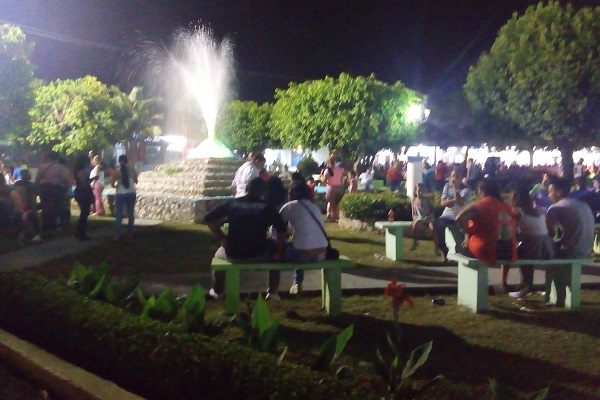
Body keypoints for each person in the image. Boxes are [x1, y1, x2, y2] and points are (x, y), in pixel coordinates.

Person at [204, 177, 287, 300]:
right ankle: (272, 292)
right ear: (264, 192)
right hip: (259, 253)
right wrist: (278, 253)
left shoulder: (232, 203)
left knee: (218, 256)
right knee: (274, 252)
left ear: (247, 188)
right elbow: (282, 230)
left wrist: (222, 237)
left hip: (233, 253)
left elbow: (208, 219)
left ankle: (218, 290)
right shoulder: (267, 207)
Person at [455, 178, 518, 267]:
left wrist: (469, 232)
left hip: (484, 250)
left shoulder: (478, 205)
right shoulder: (506, 207)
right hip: (506, 252)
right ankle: (503, 280)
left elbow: (459, 218)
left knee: (460, 246)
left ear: (482, 191)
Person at [280, 182, 329, 295]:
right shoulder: (314, 207)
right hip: (321, 255)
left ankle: (275, 290)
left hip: (302, 255)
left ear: (291, 194)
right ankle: (297, 283)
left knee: (282, 249)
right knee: (300, 246)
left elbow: (278, 229)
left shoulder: (289, 206)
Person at [507, 186, 554, 299]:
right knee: (524, 252)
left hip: (532, 244)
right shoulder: (540, 211)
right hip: (547, 246)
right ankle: (525, 284)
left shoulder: (517, 211)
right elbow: (551, 232)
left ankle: (526, 285)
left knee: (519, 254)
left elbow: (510, 232)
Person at [546, 178, 594, 259]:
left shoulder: (555, 208)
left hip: (569, 252)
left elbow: (551, 234)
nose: (548, 195)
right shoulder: (583, 205)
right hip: (586, 250)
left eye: (550, 192)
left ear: (558, 193)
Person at [432, 169, 471, 261]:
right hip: (447, 215)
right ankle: (443, 249)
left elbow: (460, 201)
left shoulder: (466, 190)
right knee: (438, 225)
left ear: (461, 178)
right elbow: (443, 203)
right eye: (453, 176)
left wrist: (454, 190)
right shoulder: (446, 186)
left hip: (460, 216)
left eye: (457, 177)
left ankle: (462, 249)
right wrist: (453, 200)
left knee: (463, 248)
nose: (454, 179)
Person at [35, 151, 71, 238]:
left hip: (44, 189)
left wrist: (38, 189)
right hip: (56, 190)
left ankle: (45, 226)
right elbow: (65, 180)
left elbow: (37, 179)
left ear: (49, 157)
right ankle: (54, 226)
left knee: (45, 208)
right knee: (56, 207)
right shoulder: (61, 167)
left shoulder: (42, 166)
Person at [110, 155, 138, 240]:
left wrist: (116, 186)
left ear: (119, 161)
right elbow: (136, 181)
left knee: (119, 214)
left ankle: (117, 235)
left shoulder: (116, 172)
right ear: (127, 161)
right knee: (130, 214)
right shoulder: (132, 170)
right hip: (131, 193)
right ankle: (130, 233)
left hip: (120, 193)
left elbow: (112, 184)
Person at [10, 169, 41, 241]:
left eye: (21, 187)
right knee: (17, 214)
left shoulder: (30, 194)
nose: (19, 189)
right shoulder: (14, 194)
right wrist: (23, 213)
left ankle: (35, 234)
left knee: (32, 215)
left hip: (29, 210)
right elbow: (15, 206)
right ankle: (20, 234)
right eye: (17, 187)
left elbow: (32, 206)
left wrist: (26, 213)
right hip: (20, 211)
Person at [73, 154, 95, 241]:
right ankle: (81, 233)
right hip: (84, 192)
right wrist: (91, 180)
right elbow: (83, 183)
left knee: (84, 213)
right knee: (84, 214)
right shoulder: (81, 171)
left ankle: (79, 232)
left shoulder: (77, 170)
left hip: (80, 192)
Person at [410, 183, 434, 251]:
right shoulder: (414, 201)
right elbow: (414, 213)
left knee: (433, 227)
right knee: (415, 224)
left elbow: (432, 210)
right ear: (415, 191)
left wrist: (429, 216)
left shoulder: (427, 200)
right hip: (420, 218)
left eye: (422, 191)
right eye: (418, 190)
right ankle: (415, 241)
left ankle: (437, 246)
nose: (420, 192)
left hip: (429, 218)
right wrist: (415, 218)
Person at [321, 155, 345, 221]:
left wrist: (321, 176)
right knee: (337, 203)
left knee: (331, 204)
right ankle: (337, 216)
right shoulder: (340, 169)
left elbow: (325, 180)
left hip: (331, 188)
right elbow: (342, 176)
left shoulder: (327, 170)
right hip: (339, 187)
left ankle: (333, 217)